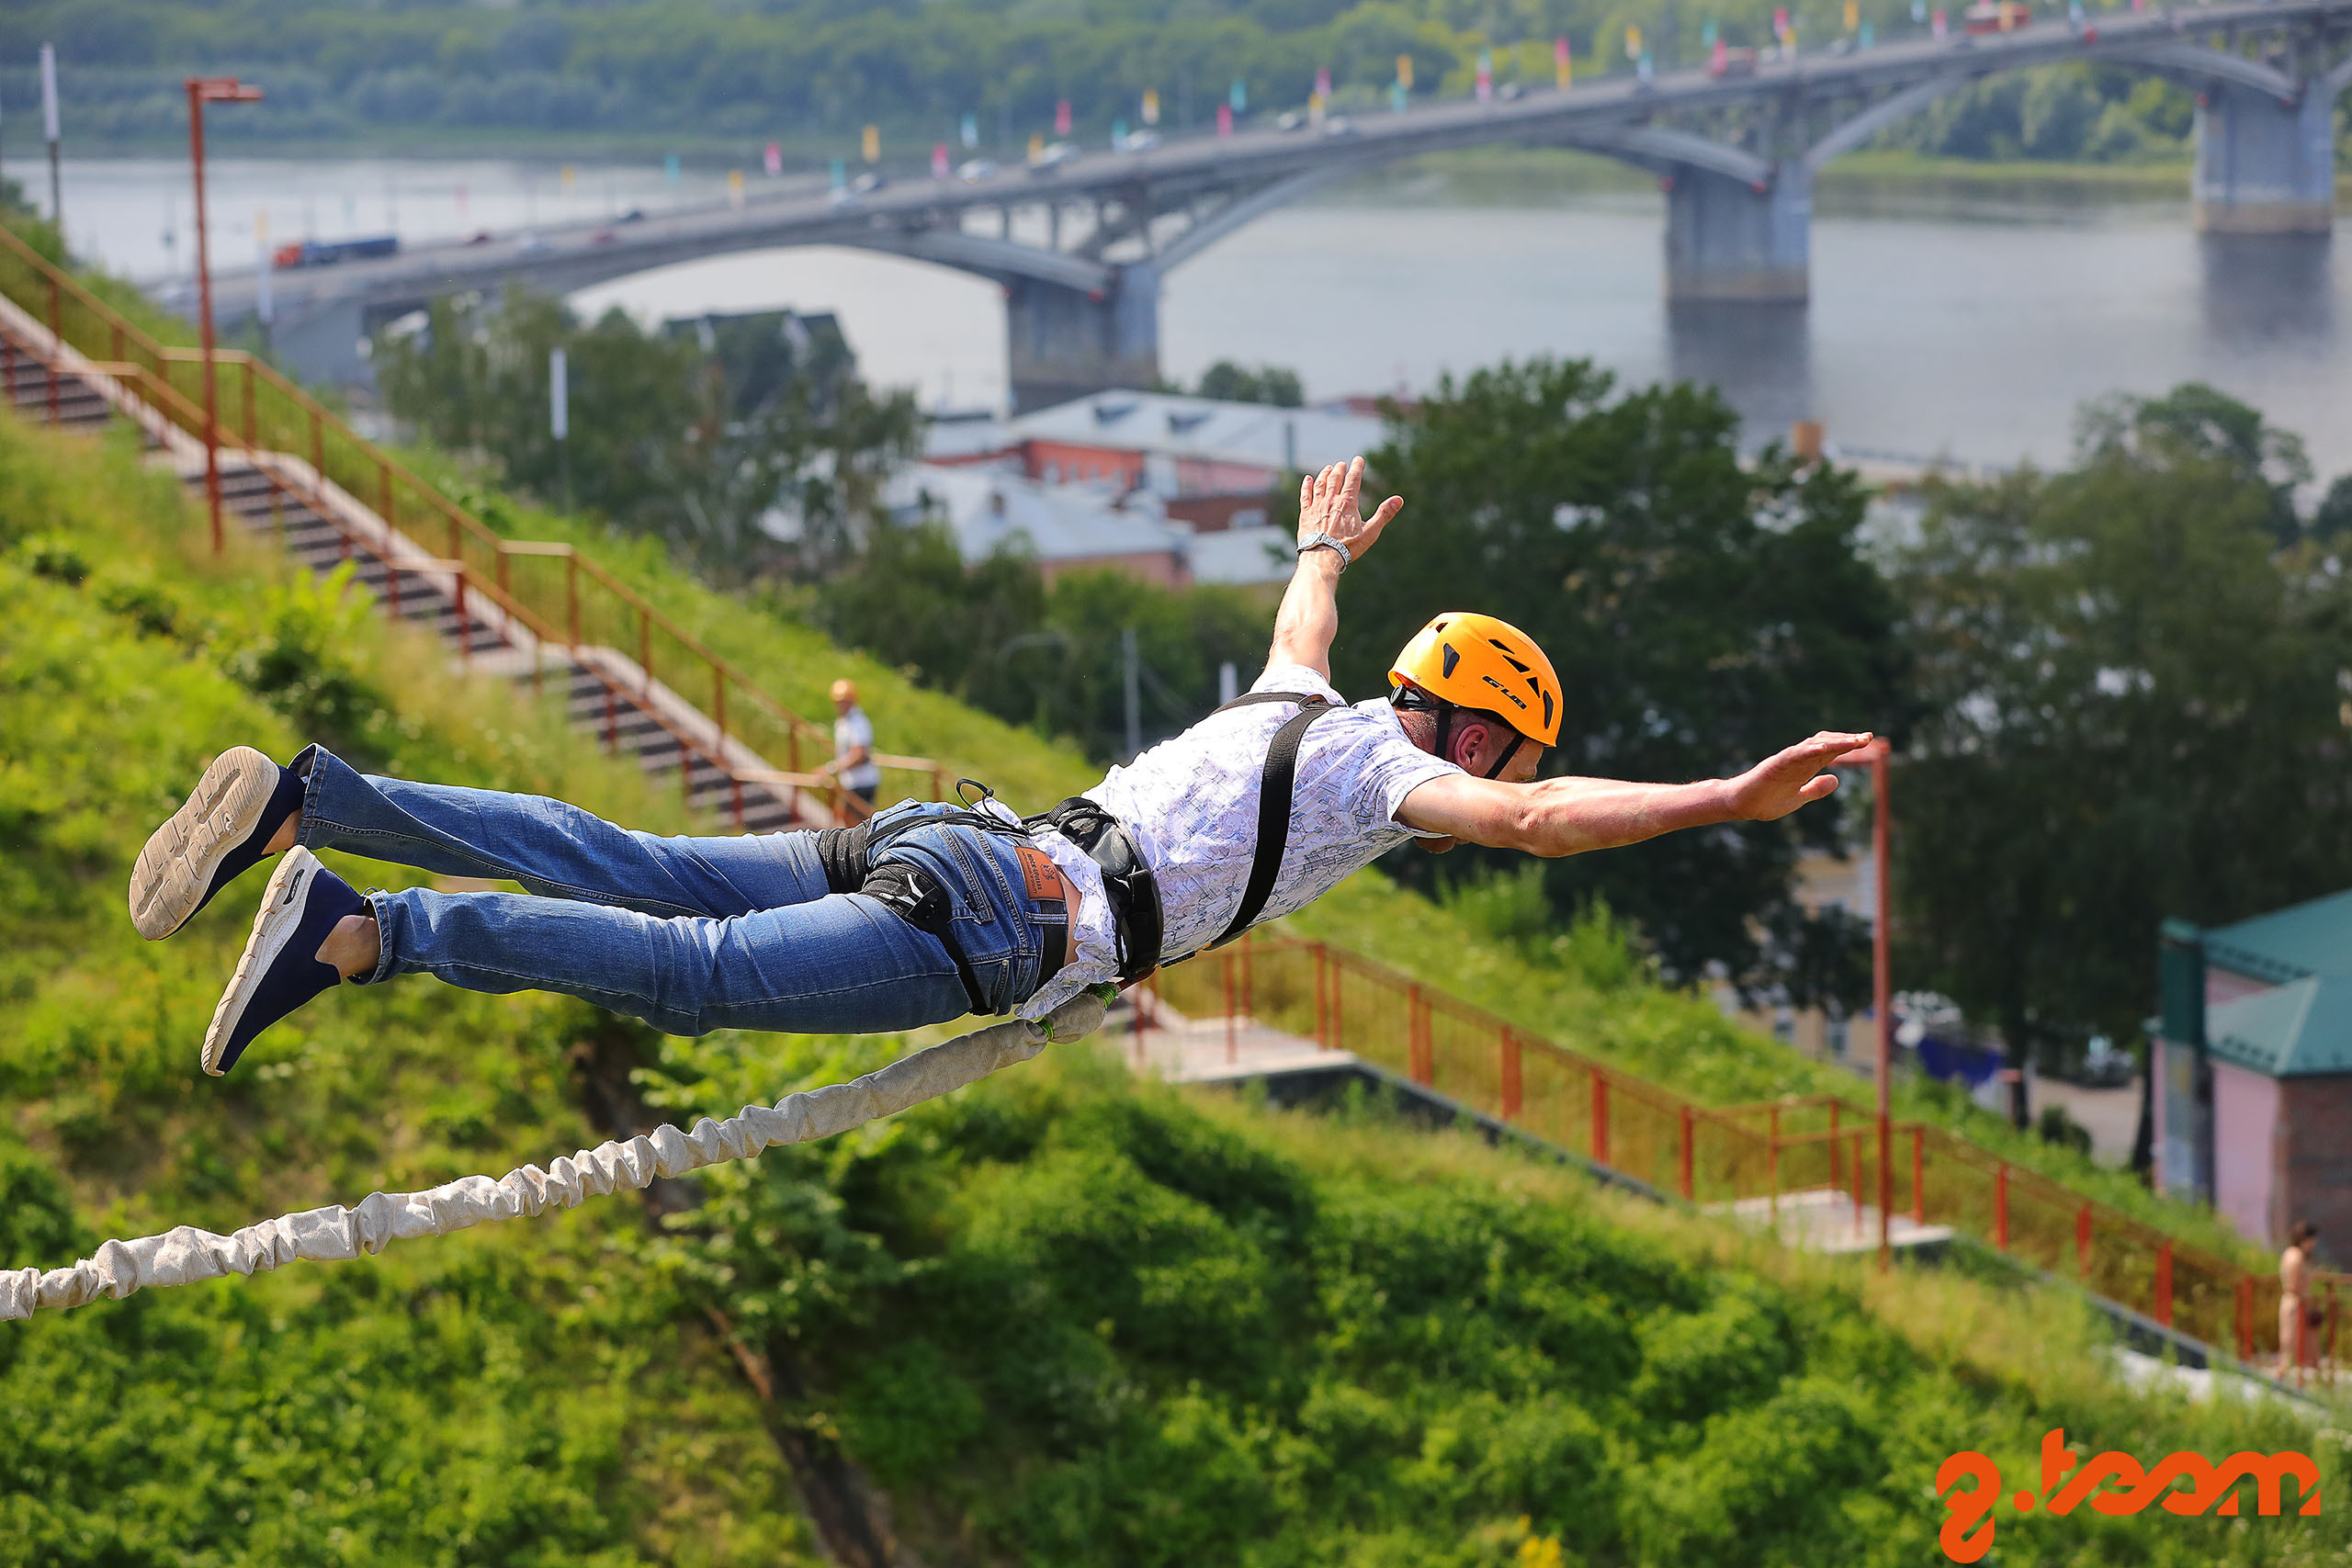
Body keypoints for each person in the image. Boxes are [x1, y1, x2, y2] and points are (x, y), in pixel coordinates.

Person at [130, 457, 1873, 1078]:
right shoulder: (1376, 784)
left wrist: (1323, 543)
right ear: (1476, 729)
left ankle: (314, 797)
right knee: (692, 975)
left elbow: (1306, 621)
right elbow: (1540, 820)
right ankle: (366, 928)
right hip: (1001, 917)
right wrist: (1726, 796)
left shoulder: (1300, 703)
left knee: (638, 861)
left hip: (967, 839)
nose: (1499, 774)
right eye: (1503, 745)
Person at [816, 678, 882, 816]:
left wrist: (830, 769)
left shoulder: (857, 722)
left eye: (844, 701)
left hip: (861, 782)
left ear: (852, 700)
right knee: (845, 817)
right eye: (838, 701)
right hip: (852, 782)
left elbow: (858, 755)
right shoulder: (844, 721)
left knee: (852, 820)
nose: (841, 705)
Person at [2278, 1219, 2321, 1385]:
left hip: (2292, 1302)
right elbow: (2295, 1285)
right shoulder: (2296, 1257)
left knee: (2293, 1345)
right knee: (2292, 1345)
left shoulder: (2289, 1253)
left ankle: (2296, 1379)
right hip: (2296, 1305)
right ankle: (2286, 1379)